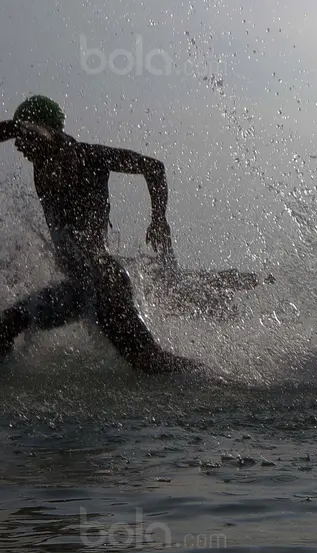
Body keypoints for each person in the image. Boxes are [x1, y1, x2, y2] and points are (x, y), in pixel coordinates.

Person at [0, 96, 197, 373]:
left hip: (104, 285)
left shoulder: (85, 156)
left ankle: (212, 381)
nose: (19, 145)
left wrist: (158, 219)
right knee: (7, 325)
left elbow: (153, 167)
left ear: (45, 130)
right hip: (81, 288)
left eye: (25, 134)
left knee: (150, 362)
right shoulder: (42, 164)